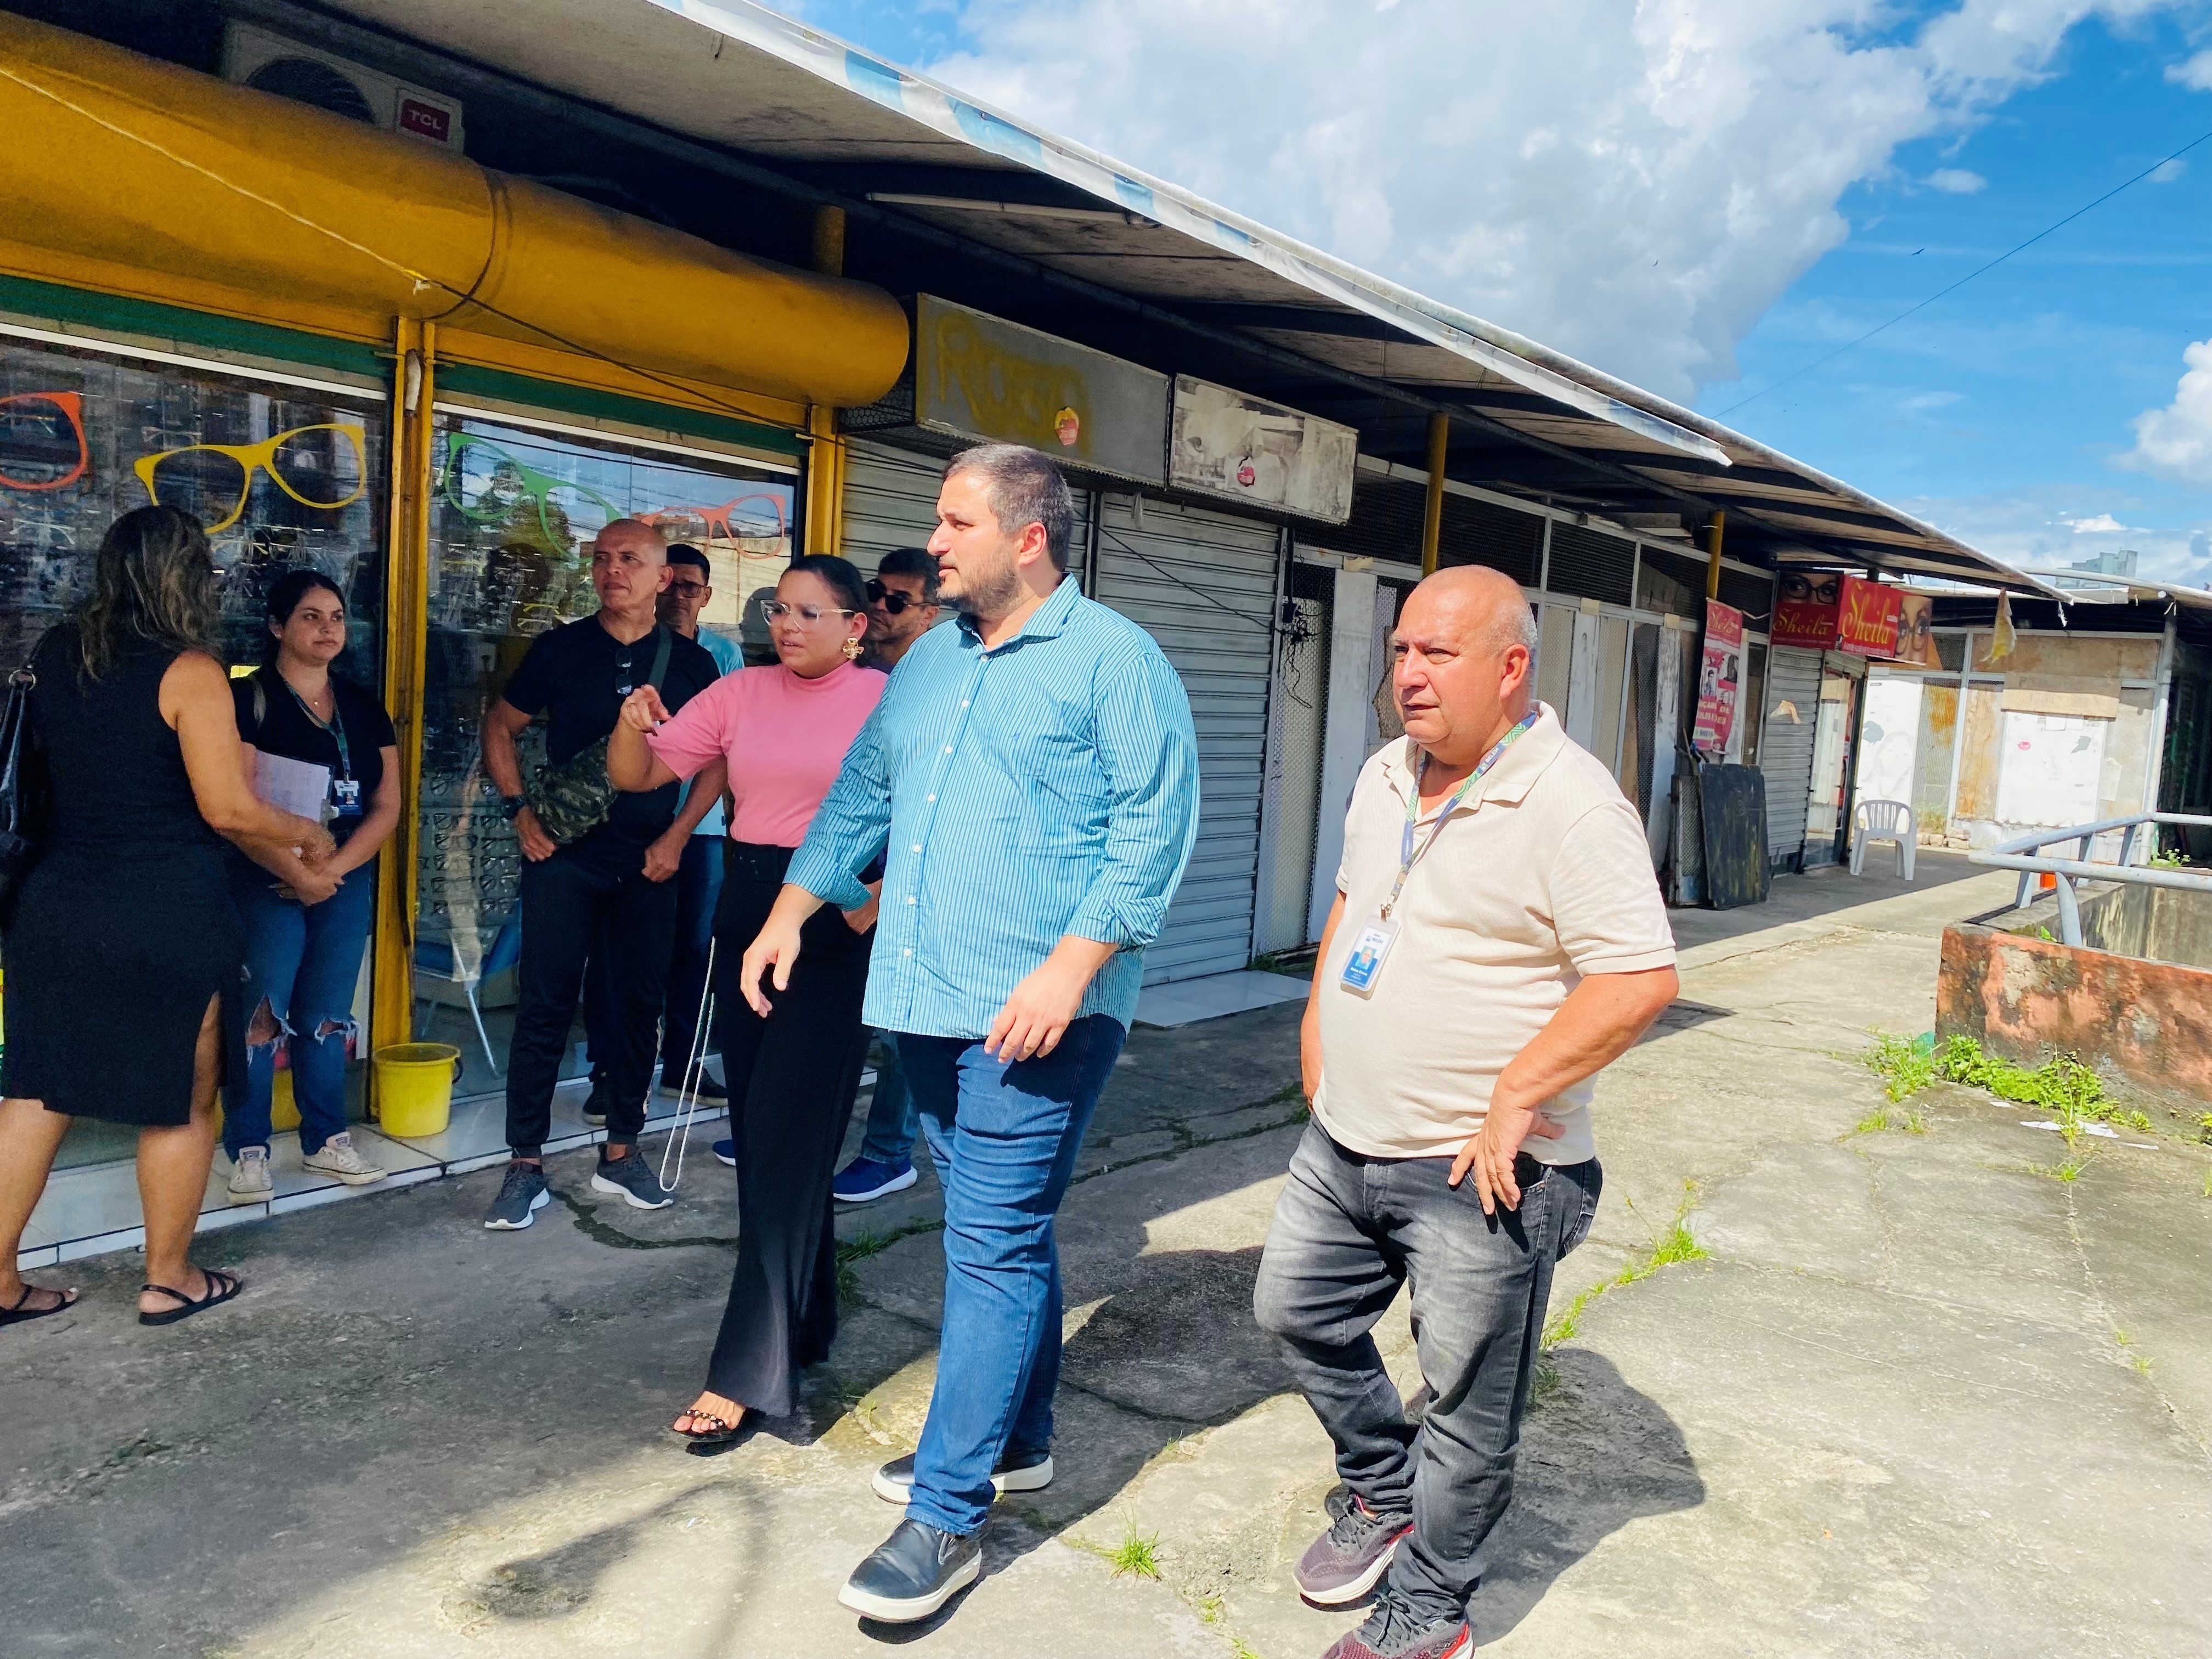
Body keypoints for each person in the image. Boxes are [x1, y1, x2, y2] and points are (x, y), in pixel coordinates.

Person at [741, 444, 1199, 1623]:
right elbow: (864, 795)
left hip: (1039, 1015)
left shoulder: (1116, 661)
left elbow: (1152, 834)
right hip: (923, 999)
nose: (933, 543)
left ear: (1028, 536)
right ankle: (1021, 1439)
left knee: (989, 1246)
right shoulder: (932, 660)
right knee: (1002, 1230)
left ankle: (947, 1515)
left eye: (956, 523)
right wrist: (791, 909)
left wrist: (1071, 968)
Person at [1251, 565, 1679, 1659]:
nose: (1408, 673)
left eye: (1437, 653)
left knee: (1467, 1410)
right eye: (1402, 649)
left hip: (1480, 1168)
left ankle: (1432, 1611)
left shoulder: (1572, 803)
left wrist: (1516, 1091)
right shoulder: (1386, 772)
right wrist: (1317, 1032)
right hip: (1344, 1135)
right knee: (1294, 1312)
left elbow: (1637, 978)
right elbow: (1353, 902)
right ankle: (1382, 1488)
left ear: (1510, 667)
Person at [0, 506, 334, 1329]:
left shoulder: (55, 652)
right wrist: (305, 831)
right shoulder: (190, 671)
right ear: (186, 578)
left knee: (38, 1091)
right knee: (183, 1095)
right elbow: (227, 809)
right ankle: (169, 1278)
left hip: (56, 901)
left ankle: (0, 1280)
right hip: (164, 908)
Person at [604, 555, 887, 1439]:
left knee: (791, 1137)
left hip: (837, 920)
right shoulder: (740, 692)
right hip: (749, 908)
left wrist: (877, 899)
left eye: (809, 612)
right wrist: (629, 722)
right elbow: (638, 776)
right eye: (779, 609)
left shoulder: (888, 700)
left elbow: (940, 809)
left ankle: (747, 1371)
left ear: (856, 627)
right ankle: (807, 1322)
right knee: (768, 1135)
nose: (787, 625)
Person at [478, 518, 722, 1230]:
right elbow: (501, 725)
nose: (614, 570)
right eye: (604, 559)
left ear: (663, 578)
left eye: (631, 560)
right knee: (545, 1007)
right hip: (565, 857)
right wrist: (519, 811)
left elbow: (718, 759)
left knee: (638, 1008)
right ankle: (525, 1164)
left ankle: (622, 1153)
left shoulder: (691, 664)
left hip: (650, 861)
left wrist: (678, 835)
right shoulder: (560, 649)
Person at [221, 569, 404, 1201]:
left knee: (327, 1014)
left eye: (336, 617)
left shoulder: (362, 705)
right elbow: (234, 806)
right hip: (264, 877)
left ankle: (326, 1139)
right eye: (310, 616)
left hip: (342, 877)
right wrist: (297, 872)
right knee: (261, 1013)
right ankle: (248, 1148)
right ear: (277, 626)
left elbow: (387, 805)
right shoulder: (248, 700)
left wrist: (332, 871)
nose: (328, 629)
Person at [582, 544, 741, 1115]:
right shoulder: (625, 650)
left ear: (706, 595)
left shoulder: (722, 655)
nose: (678, 597)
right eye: (671, 585)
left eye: (691, 588)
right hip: (628, 825)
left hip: (701, 828)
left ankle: (682, 1064)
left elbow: (732, 744)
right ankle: (609, 1070)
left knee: (693, 950)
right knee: (616, 951)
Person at [828, 545, 941, 1204]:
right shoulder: (856, 674)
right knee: (830, 1014)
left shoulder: (938, 685)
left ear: (929, 613)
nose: (879, 606)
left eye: (897, 600)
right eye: (875, 591)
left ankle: (890, 1153)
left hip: (901, 883)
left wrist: (891, 885)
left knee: (900, 1028)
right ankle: (805, 1134)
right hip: (843, 871)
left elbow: (934, 798)